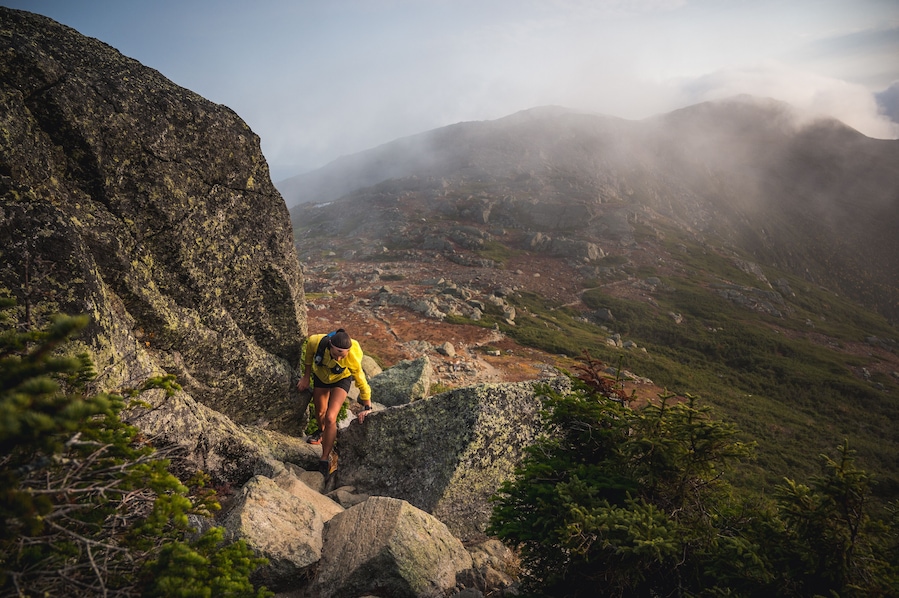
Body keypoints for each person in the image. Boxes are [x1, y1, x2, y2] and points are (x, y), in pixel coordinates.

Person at [296, 328, 372, 477]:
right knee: (320, 412)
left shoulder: (352, 357)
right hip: (321, 376)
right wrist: (306, 377)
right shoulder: (315, 342)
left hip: (341, 379)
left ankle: (325, 459)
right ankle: (322, 432)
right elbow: (309, 357)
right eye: (336, 353)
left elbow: (361, 380)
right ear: (330, 345)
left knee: (331, 417)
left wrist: (367, 406)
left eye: (342, 355)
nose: (338, 358)